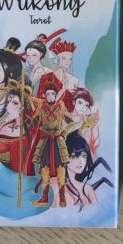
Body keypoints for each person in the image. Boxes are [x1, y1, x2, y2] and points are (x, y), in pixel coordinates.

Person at [28, 73, 75, 208]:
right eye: (47, 94)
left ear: (55, 95)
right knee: (45, 169)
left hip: (58, 141)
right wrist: (25, 117)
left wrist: (64, 132)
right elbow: (33, 123)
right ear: (44, 95)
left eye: (52, 94)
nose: (50, 96)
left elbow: (71, 122)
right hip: (44, 142)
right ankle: (44, 198)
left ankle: (62, 198)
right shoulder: (41, 108)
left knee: (61, 169)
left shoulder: (61, 107)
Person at [0, 86, 35, 176]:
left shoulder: (25, 135)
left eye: (15, 103)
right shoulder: (4, 123)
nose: (8, 107)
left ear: (22, 108)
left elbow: (17, 169)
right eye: (8, 102)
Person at [64, 132, 113, 211]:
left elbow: (95, 210)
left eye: (84, 156)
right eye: (74, 156)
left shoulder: (88, 189)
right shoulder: (56, 188)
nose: (81, 162)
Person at [64, 87, 100, 157]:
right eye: (80, 103)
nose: (83, 107)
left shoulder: (85, 120)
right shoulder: (66, 116)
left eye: (86, 105)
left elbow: (85, 143)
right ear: (74, 102)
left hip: (79, 153)